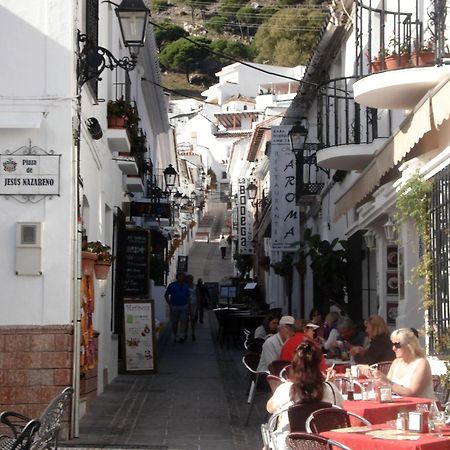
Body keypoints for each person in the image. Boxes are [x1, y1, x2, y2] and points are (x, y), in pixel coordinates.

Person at [266, 342, 344, 450]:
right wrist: (328, 383)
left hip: (288, 446)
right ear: (318, 367)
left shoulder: (285, 389)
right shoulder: (331, 389)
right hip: (322, 446)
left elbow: (269, 408)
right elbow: (340, 411)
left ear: (293, 367)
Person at [372, 328, 435, 399]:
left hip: (422, 407)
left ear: (410, 346)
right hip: (401, 406)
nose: (393, 348)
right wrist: (376, 378)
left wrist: (387, 382)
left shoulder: (421, 363)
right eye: (392, 344)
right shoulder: (396, 362)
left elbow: (412, 393)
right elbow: (386, 387)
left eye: (397, 345)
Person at [164, 272, 190, 343]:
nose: (182, 278)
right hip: (174, 306)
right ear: (177, 277)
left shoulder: (186, 285)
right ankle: (175, 335)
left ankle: (181, 335)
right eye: (181, 276)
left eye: (183, 277)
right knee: (174, 322)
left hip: (184, 306)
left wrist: (188, 304)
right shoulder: (172, 285)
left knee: (183, 321)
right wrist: (170, 304)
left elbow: (188, 295)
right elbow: (166, 295)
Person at [186, 274, 198, 341]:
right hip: (186, 304)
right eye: (189, 279)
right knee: (186, 319)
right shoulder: (185, 286)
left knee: (193, 319)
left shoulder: (195, 286)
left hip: (193, 304)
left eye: (192, 279)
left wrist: (198, 305)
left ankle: (193, 332)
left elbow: (198, 295)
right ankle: (185, 333)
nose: (191, 280)